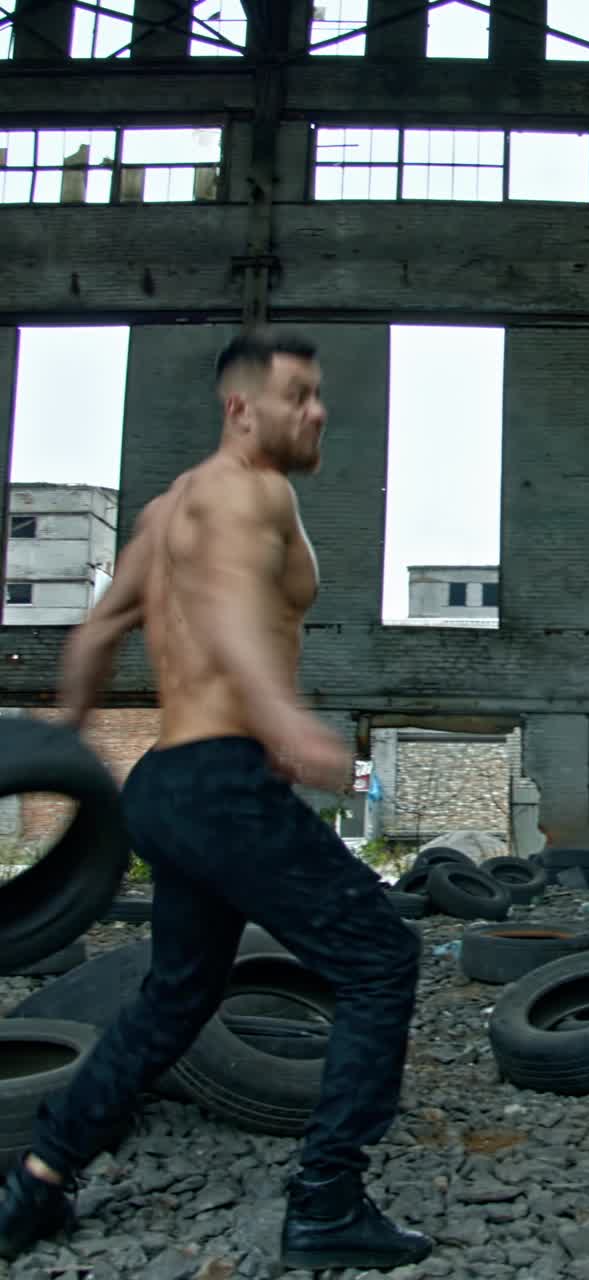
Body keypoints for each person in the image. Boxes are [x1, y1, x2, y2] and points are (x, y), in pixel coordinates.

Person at [0, 330, 431, 1272]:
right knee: (381, 957)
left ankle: (35, 1181)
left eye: (318, 395)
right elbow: (235, 612)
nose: (319, 412)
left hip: (166, 783)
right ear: (243, 409)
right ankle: (325, 1203)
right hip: (226, 781)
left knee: (179, 993)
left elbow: (96, 632)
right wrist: (290, 724)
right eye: (301, 395)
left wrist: (57, 743)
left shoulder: (165, 512)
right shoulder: (252, 490)